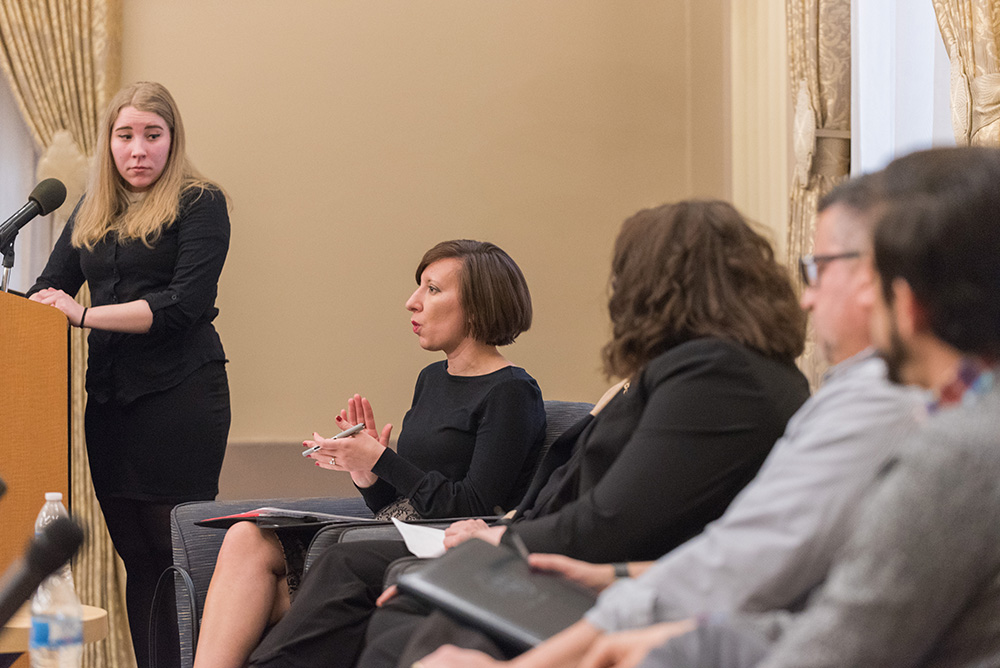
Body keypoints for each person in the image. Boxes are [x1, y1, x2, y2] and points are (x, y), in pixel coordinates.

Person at [244, 199, 812, 668]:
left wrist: (497, 539)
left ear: (659, 286)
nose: (617, 297)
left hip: (583, 572)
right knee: (377, 580)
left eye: (625, 279)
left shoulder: (717, 374)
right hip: (533, 544)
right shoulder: (698, 372)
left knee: (393, 589)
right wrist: (376, 471)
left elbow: (611, 518)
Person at [406, 175, 924, 668]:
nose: (806, 296)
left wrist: (515, 549)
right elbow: (739, 550)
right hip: (632, 580)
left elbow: (734, 558)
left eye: (820, 269)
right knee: (410, 601)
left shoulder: (723, 374)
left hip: (672, 606)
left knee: (433, 623)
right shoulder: (808, 385)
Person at [579, 146, 1000, 668]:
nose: (808, 297)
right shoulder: (964, 422)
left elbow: (840, 647)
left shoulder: (955, 452)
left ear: (905, 301)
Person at [193, 239, 547, 668]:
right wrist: (368, 475)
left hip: (458, 547)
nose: (411, 302)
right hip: (404, 534)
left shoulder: (511, 392)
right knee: (245, 536)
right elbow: (401, 508)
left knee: (280, 589)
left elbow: (472, 506)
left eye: (432, 289)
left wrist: (382, 459)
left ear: (477, 307)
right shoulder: (432, 378)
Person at [27, 81, 231, 668]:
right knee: (136, 561)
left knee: (175, 559)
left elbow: (185, 303)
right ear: (108, 143)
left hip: (180, 396)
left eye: (152, 135)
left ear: (172, 141)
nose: (137, 149)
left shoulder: (200, 202)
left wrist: (86, 315)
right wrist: (40, 306)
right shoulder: (91, 209)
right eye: (125, 136)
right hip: (111, 403)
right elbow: (49, 289)